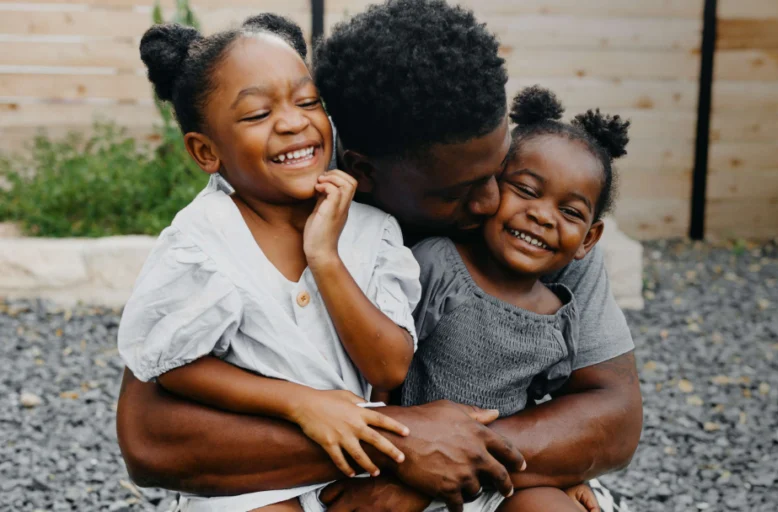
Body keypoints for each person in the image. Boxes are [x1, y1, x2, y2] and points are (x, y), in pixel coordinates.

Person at [115, 1, 643, 511]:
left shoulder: (538, 210)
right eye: (455, 191)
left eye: (499, 170)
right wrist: (400, 449)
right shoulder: (288, 185)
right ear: (362, 172)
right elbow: (149, 439)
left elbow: (614, 417)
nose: (490, 202)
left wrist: (430, 470)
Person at [119, 14, 421, 511]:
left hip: (360, 472)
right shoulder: (201, 242)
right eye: (258, 114)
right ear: (206, 151)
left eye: (308, 102)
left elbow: (388, 366)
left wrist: (325, 257)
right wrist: (299, 403)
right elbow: (173, 364)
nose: (292, 122)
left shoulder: (372, 230)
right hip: (252, 480)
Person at [401, 85, 630, 512]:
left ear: (589, 239)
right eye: (525, 190)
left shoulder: (559, 313)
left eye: (571, 212)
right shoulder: (437, 265)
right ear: (489, 186)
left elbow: (558, 406)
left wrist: (572, 473)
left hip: (500, 475)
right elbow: (382, 362)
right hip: (417, 459)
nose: (543, 215)